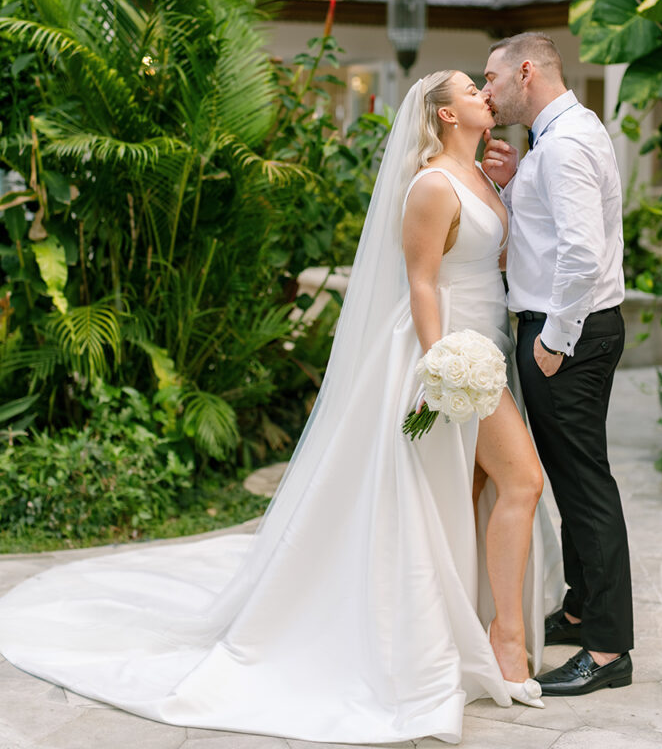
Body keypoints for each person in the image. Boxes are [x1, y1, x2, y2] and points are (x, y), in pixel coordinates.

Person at [0, 71, 562, 744]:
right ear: (445, 113)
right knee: (522, 481)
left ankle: (455, 627)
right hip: (451, 355)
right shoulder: (432, 185)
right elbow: (420, 281)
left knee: (461, 497)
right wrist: (438, 363)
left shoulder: (482, 177)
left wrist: (509, 184)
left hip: (487, 346)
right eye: (471, 90)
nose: (484, 96)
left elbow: (493, 260)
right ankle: (506, 640)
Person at [480, 32, 634, 697]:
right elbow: (548, 233)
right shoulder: (561, 135)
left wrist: (555, 340)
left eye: (491, 79)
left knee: (585, 486)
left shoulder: (565, 143)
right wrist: (517, 182)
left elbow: (580, 252)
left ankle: (607, 650)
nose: (486, 92)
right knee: (573, 481)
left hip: (566, 336)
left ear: (525, 72)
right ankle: (579, 610)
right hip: (569, 330)